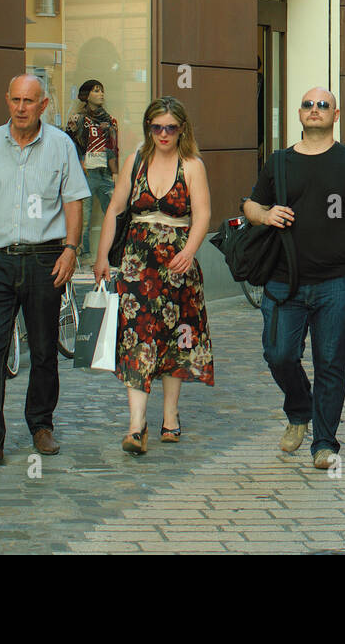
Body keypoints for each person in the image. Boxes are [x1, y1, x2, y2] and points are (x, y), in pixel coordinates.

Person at [0, 75, 89, 464]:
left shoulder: (61, 146)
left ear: (43, 106)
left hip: (45, 260)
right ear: (7, 101)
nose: (22, 108)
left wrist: (71, 249)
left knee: (43, 349)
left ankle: (41, 425)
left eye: (30, 101)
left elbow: (74, 202)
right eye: (16, 100)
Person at [243, 87, 345, 470]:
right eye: (308, 104)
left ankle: (324, 442)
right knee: (279, 354)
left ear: (336, 115)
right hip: (282, 278)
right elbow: (250, 204)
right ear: (299, 114)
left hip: (337, 280)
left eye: (323, 105)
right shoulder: (279, 162)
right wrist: (264, 215)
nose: (315, 109)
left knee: (331, 362)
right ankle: (299, 408)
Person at [94, 96, 212, 455]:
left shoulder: (191, 165)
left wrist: (189, 251)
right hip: (137, 262)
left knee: (175, 337)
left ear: (181, 130)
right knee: (136, 337)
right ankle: (136, 426)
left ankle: (171, 417)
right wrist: (102, 255)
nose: (163, 134)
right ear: (148, 128)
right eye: (156, 127)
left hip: (177, 263)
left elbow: (203, 214)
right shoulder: (135, 161)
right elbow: (116, 208)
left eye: (170, 128)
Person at [65, 79, 119, 266]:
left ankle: (114, 254)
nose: (101, 94)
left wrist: (115, 171)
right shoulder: (77, 119)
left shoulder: (110, 120)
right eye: (96, 91)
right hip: (85, 173)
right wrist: (79, 163)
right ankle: (84, 256)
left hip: (105, 172)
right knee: (84, 218)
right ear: (87, 95)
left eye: (102, 91)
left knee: (114, 214)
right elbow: (70, 144)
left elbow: (113, 147)